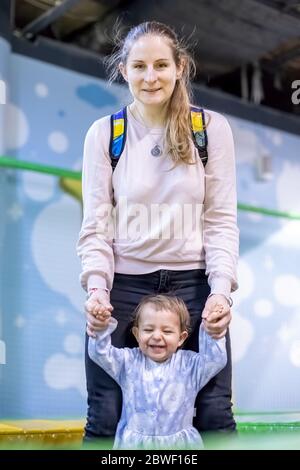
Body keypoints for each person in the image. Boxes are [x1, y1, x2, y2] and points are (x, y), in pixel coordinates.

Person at [77, 21, 239, 442]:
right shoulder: (105, 134)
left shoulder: (210, 129)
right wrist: (97, 289)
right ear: (124, 70)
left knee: (214, 411)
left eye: (161, 65)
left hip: (194, 285)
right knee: (105, 414)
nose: (151, 77)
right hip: (125, 288)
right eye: (140, 66)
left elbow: (220, 219)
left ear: (180, 66)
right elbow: (96, 225)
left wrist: (220, 290)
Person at [88, 294, 227, 449]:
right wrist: (100, 329)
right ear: (136, 334)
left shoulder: (189, 365)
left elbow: (216, 360)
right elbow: (99, 353)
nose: (156, 336)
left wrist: (212, 330)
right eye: (148, 329)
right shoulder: (128, 362)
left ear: (181, 338)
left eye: (167, 331)